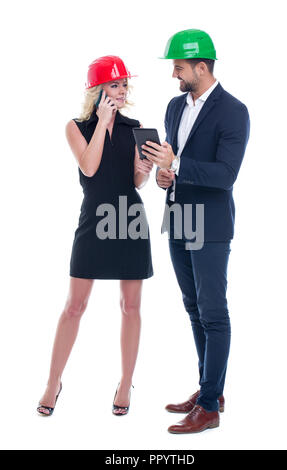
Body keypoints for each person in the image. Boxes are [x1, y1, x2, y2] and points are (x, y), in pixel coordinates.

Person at [141, 29, 250, 433]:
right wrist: (164, 176)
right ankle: (210, 388)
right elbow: (173, 162)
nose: (174, 74)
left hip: (211, 222)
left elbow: (225, 175)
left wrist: (180, 166)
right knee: (192, 307)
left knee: (213, 311)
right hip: (179, 216)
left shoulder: (233, 111)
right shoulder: (174, 106)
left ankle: (209, 407)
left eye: (179, 67)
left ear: (201, 67)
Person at [37, 55, 153, 417]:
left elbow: (135, 182)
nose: (120, 91)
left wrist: (142, 170)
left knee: (130, 306)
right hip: (93, 221)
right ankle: (53, 382)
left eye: (123, 85)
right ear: (97, 90)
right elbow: (89, 167)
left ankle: (125, 382)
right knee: (74, 306)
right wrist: (102, 124)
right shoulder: (76, 126)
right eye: (113, 85)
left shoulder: (136, 127)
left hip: (129, 219)